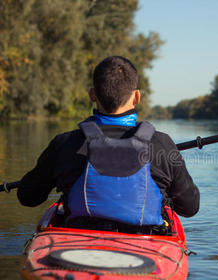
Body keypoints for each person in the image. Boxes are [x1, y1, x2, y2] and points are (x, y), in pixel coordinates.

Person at [17, 56, 199, 233]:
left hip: (76, 244)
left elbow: (28, 197)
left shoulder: (64, 143)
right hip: (146, 246)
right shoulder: (163, 144)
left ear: (92, 95)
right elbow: (190, 208)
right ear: (137, 97)